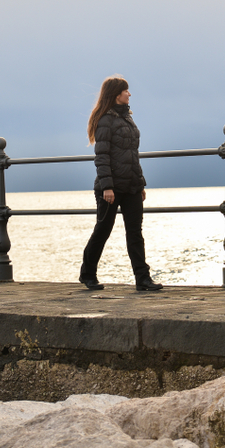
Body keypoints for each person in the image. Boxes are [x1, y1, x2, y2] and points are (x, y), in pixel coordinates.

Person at [79, 75, 163, 292]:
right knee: (103, 230)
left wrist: (140, 184)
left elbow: (132, 155)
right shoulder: (106, 121)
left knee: (135, 232)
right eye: (126, 91)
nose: (129, 94)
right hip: (111, 189)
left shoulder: (127, 118)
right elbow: (102, 156)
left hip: (131, 186)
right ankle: (87, 274)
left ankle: (143, 279)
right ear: (117, 94)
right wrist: (107, 186)